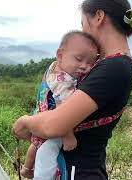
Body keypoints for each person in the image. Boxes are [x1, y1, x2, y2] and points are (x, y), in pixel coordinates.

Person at [13, 0, 132, 179]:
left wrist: (24, 122)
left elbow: (54, 124)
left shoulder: (115, 67)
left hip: (78, 171)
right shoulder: (104, 64)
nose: (83, 32)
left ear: (99, 17)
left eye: (83, 24)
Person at [20, 31, 99, 179]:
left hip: (40, 119)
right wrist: (68, 135)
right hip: (53, 125)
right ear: (60, 55)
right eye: (79, 59)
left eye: (90, 63)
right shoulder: (63, 81)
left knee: (36, 145)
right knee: (48, 151)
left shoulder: (54, 68)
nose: (84, 66)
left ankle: (26, 168)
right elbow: (62, 111)